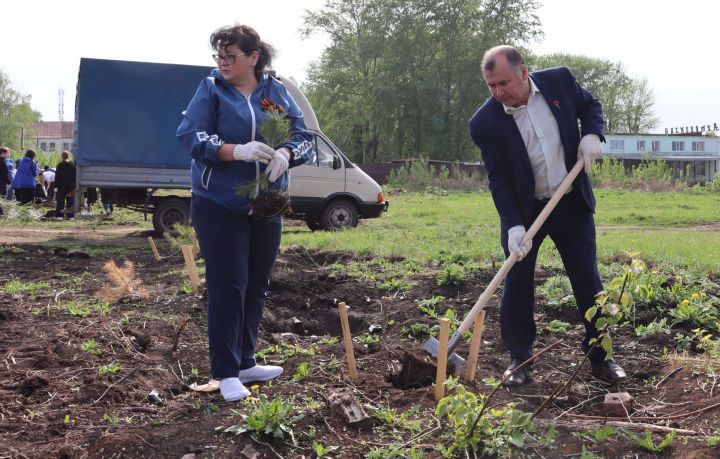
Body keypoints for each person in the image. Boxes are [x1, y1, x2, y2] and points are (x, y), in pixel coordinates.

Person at [468, 45, 626, 386]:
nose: (498, 93)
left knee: (588, 280)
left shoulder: (559, 82)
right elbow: (500, 179)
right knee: (517, 281)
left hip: (570, 202)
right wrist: (513, 226)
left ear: (523, 72)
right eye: (491, 85)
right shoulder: (485, 123)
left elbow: (590, 105)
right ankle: (520, 358)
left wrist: (591, 134)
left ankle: (601, 356)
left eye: (503, 83)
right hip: (526, 211)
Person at [176, 24, 313, 402]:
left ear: (254, 58)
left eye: (230, 56)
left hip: (267, 202)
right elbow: (190, 135)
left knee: (256, 281)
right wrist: (235, 151)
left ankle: (246, 360)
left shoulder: (276, 91)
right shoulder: (211, 90)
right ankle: (224, 371)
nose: (222, 62)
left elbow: (304, 136)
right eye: (219, 55)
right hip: (218, 203)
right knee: (228, 283)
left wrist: (286, 153)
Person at [54, 151, 76, 220]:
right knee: (70, 201)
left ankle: (59, 216)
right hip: (71, 186)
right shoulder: (73, 165)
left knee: (60, 201)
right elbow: (75, 176)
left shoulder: (59, 165)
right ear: (68, 156)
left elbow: (57, 177)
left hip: (61, 186)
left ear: (62, 156)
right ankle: (71, 216)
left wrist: (55, 186)